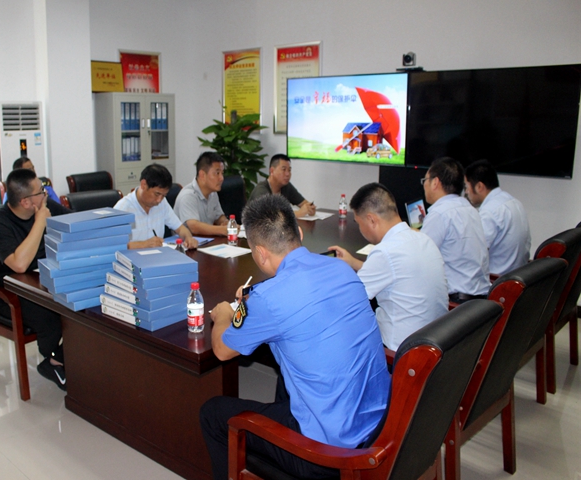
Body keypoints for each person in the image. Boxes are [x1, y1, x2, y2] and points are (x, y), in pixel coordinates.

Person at [200, 194, 390, 480]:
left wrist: (225, 315)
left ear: (260, 253)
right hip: (379, 426)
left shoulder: (268, 299)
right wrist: (255, 304)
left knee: (212, 413)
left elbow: (222, 350)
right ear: (299, 233)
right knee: (287, 372)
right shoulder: (342, 268)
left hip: (330, 453)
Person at [329, 183, 448, 350]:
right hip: (436, 342)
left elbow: (347, 300)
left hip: (400, 351)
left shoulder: (385, 252)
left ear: (371, 220)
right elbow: (394, 272)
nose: (360, 229)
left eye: (358, 223)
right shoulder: (423, 239)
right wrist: (353, 262)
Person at [0, 168, 72, 390]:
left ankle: (65, 359)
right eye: (41, 191)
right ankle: (55, 361)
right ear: (26, 202)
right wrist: (40, 223)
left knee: (84, 307)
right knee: (51, 316)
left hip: (43, 281)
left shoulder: (47, 207)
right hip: (9, 293)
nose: (46, 194)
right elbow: (19, 265)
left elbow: (76, 225)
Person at [421, 157, 490, 302]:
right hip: (480, 299)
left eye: (425, 180)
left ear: (435, 182)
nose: (424, 185)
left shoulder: (440, 213)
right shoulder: (470, 209)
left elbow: (419, 258)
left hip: (456, 303)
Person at [465, 159, 531, 275]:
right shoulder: (515, 202)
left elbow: (474, 255)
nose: (466, 192)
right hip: (519, 275)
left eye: (467, 187)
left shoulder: (490, 212)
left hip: (497, 280)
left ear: (479, 186)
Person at [113, 164, 198, 249]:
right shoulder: (122, 209)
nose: (159, 200)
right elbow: (113, 246)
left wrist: (188, 238)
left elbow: (180, 228)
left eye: (163, 195)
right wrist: (144, 244)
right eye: (157, 194)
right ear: (143, 184)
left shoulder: (162, 203)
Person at [174, 152, 229, 236]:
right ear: (202, 175)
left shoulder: (213, 193)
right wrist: (221, 230)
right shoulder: (188, 196)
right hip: (185, 242)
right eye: (217, 173)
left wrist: (226, 223)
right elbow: (194, 227)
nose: (221, 178)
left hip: (207, 240)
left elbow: (219, 216)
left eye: (222, 173)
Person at [248, 154, 316, 217]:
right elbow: (272, 215)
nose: (287, 174)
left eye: (289, 170)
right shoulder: (261, 190)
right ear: (272, 171)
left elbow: (304, 203)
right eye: (284, 169)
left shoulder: (286, 186)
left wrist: (310, 208)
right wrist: (299, 213)